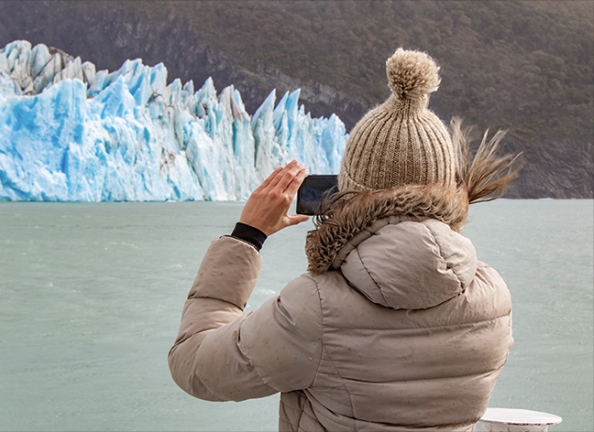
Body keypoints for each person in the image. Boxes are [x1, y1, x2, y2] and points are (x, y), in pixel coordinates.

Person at [168, 48, 518, 431]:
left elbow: (196, 366)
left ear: (347, 191)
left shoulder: (316, 308)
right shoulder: (492, 296)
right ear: (447, 187)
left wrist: (246, 238)